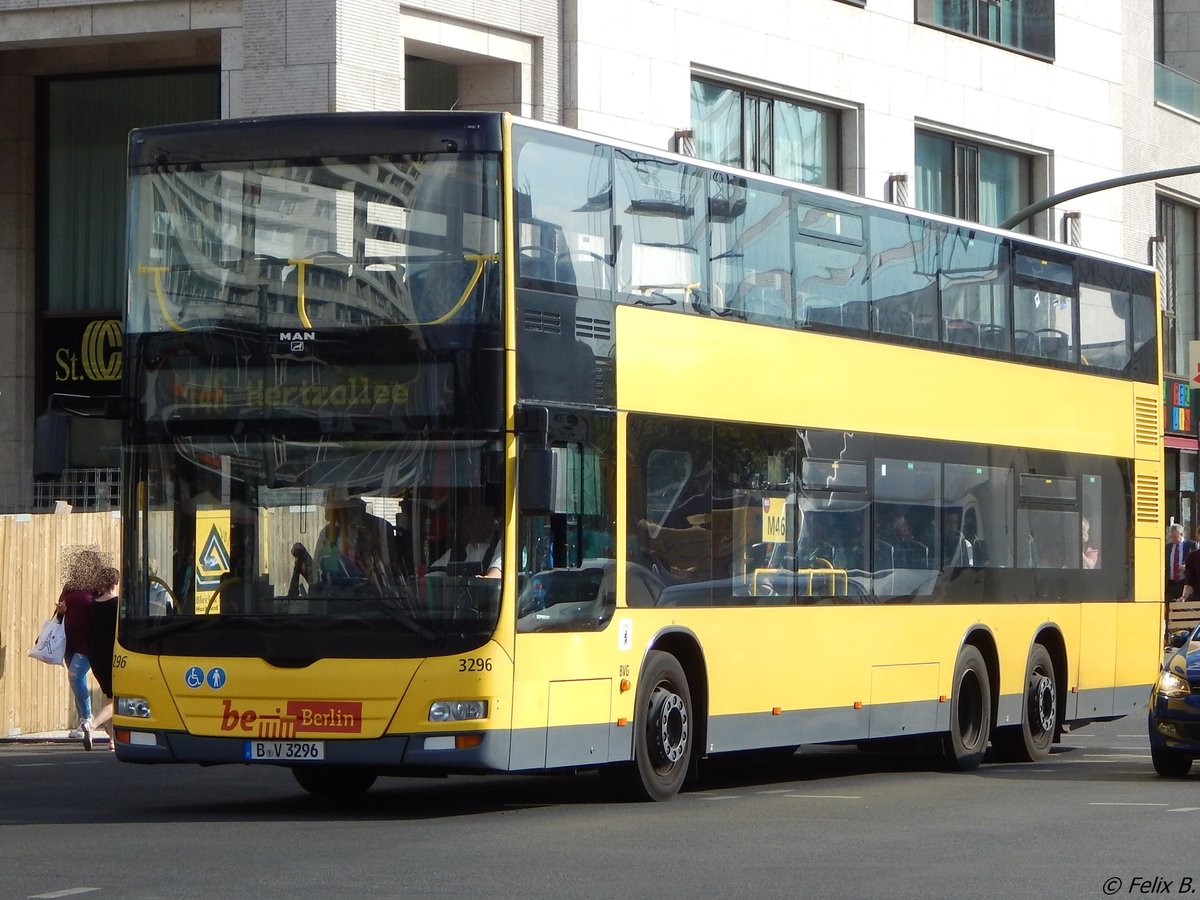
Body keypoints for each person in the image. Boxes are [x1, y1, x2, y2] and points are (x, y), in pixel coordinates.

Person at [54, 545, 111, 743]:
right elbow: (58, 612)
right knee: (76, 680)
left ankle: (87, 718)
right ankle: (82, 721)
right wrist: (60, 611)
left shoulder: (97, 588)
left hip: (89, 641)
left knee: (75, 675)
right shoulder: (70, 586)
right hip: (70, 639)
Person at [83, 566, 120, 751]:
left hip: (95, 654)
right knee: (117, 700)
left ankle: (112, 741)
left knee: (109, 696)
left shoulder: (94, 605)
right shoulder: (118, 604)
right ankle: (92, 725)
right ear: (116, 583)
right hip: (112, 654)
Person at [1166, 523, 1194, 601]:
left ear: (1181, 534)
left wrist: (1187, 567)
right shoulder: (1168, 547)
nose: (1173, 539)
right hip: (1171, 583)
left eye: (1175, 537)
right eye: (1172, 537)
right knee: (1169, 605)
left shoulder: (1191, 545)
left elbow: (1196, 563)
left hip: (1185, 582)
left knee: (1183, 607)